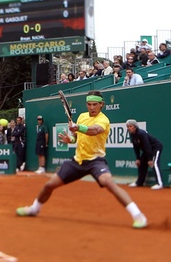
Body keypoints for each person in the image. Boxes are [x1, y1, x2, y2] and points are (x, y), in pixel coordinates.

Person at [16, 91, 148, 229]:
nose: (92, 107)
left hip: (96, 160)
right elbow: (76, 136)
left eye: (95, 104)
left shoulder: (103, 120)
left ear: (101, 105)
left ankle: (138, 215)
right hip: (77, 161)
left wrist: (78, 127)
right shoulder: (82, 116)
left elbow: (95, 130)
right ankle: (34, 208)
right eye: (89, 104)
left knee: (108, 182)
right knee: (49, 185)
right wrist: (71, 139)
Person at [126, 119, 164, 190]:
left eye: (130, 126)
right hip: (148, 150)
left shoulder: (141, 133)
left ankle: (160, 183)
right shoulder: (132, 135)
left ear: (135, 127)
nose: (128, 128)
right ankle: (139, 182)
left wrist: (150, 159)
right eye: (127, 127)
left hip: (156, 147)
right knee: (141, 163)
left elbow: (147, 146)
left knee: (154, 164)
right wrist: (138, 158)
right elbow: (136, 147)